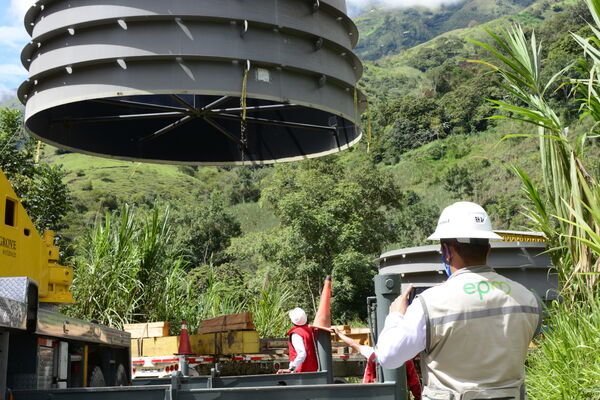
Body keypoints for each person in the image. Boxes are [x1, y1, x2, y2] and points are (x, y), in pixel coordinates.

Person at [375, 201, 542, 399]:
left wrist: (395, 316)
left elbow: (388, 357)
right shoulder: (527, 299)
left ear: (447, 251)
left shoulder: (431, 303)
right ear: (488, 249)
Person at [332, 328, 422, 399]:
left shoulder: (373, 353)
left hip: (370, 393)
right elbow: (414, 383)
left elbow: (353, 344)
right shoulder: (405, 359)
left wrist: (339, 334)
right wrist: (418, 397)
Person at [277, 307, 318, 374]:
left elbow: (302, 354)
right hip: (314, 369)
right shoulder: (311, 330)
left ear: (292, 321)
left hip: (302, 372)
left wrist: (291, 369)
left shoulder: (296, 334)